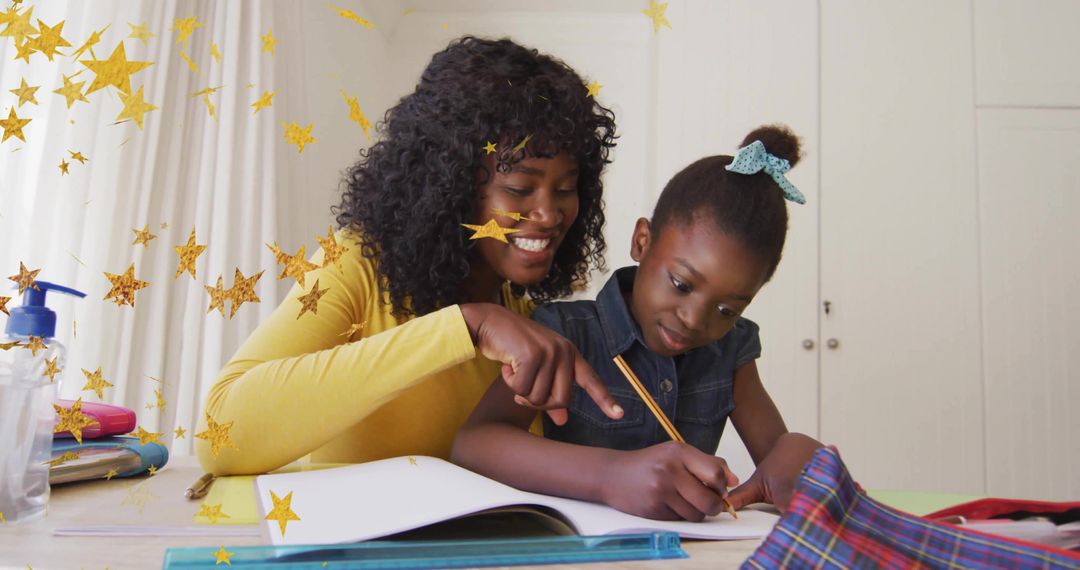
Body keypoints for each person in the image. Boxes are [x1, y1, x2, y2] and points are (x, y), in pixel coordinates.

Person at [195, 36, 624, 475]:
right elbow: (220, 435)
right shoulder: (354, 265)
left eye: (566, 188)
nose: (549, 214)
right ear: (451, 185)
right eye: (519, 188)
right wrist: (465, 326)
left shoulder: (531, 320)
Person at [452, 125, 824, 521]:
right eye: (681, 285)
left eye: (727, 310)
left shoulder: (731, 352)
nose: (694, 320)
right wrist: (609, 476)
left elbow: (778, 461)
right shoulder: (564, 331)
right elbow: (474, 445)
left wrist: (798, 459)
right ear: (642, 241)